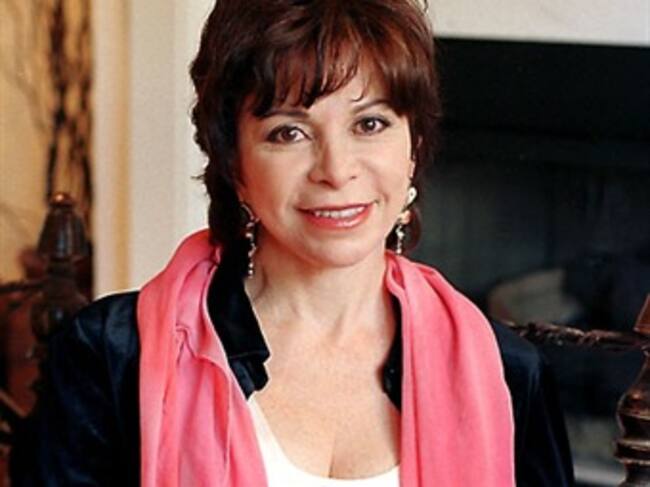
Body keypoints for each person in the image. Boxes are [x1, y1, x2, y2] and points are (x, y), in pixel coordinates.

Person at [11, 0, 574, 485]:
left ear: (414, 146)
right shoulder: (111, 356)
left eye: (370, 124)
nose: (336, 169)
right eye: (289, 132)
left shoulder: (506, 372)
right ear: (233, 164)